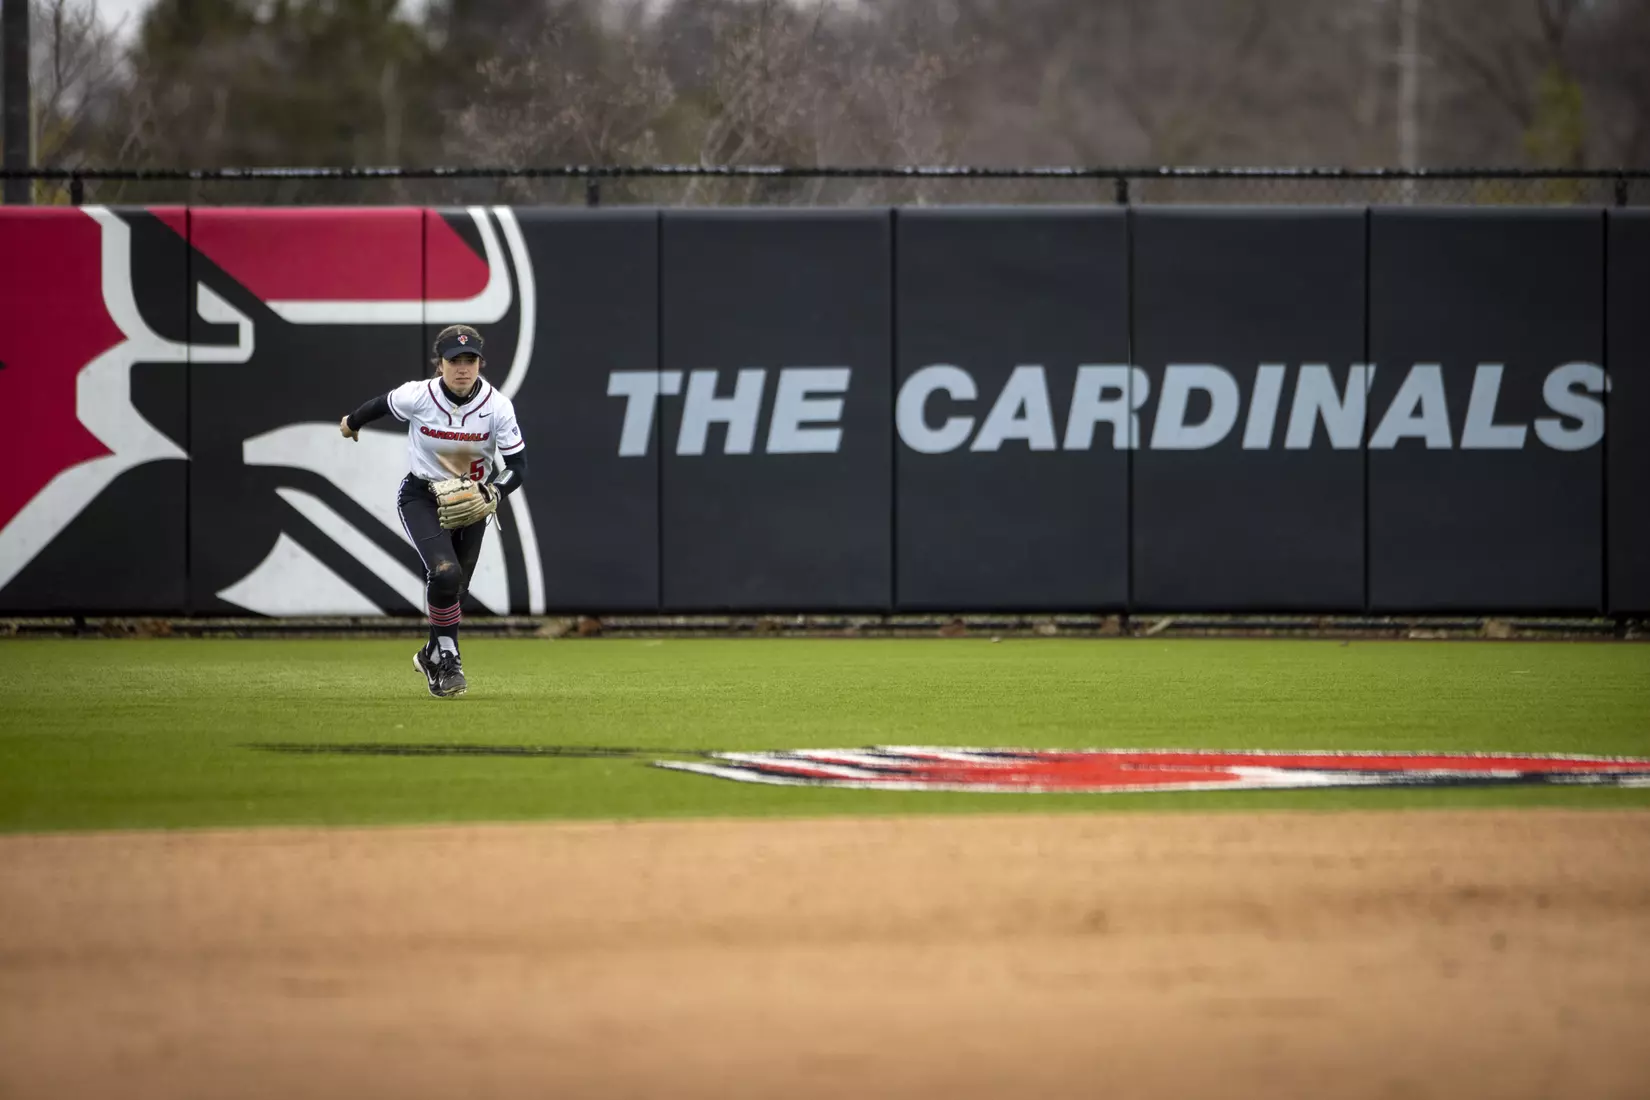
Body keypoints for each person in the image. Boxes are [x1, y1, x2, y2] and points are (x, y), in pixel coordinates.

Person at [339, 324, 527, 698]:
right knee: (444, 573)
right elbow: (380, 404)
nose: (462, 367)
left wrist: (493, 490)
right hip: (422, 496)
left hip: (473, 500)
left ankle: (431, 653)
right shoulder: (418, 396)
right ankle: (449, 658)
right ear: (439, 365)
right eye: (454, 360)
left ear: (480, 363)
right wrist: (352, 422)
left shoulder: (497, 407)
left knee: (455, 589)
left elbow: (517, 467)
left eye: (470, 359)